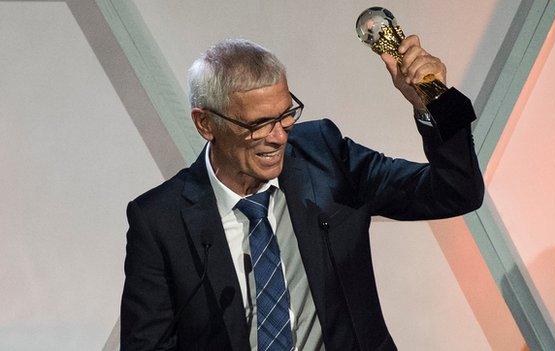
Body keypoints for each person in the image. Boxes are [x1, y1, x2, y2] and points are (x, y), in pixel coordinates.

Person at [120, 37, 484, 350]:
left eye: (285, 115)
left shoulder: (323, 156)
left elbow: (456, 192)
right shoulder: (159, 221)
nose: (278, 136)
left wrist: (431, 101)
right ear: (205, 123)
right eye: (258, 124)